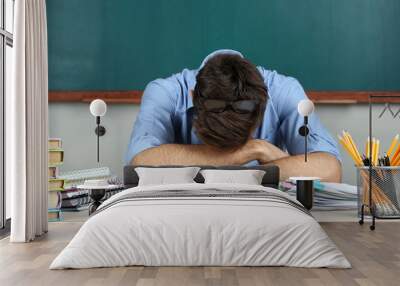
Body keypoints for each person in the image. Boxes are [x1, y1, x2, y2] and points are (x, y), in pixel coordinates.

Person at [125, 50, 341, 182]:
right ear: (193, 98)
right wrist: (254, 149)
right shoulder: (165, 93)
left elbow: (330, 171)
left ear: (263, 105)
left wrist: (214, 164)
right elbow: (139, 165)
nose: (232, 154)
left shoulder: (283, 92)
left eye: (238, 145)